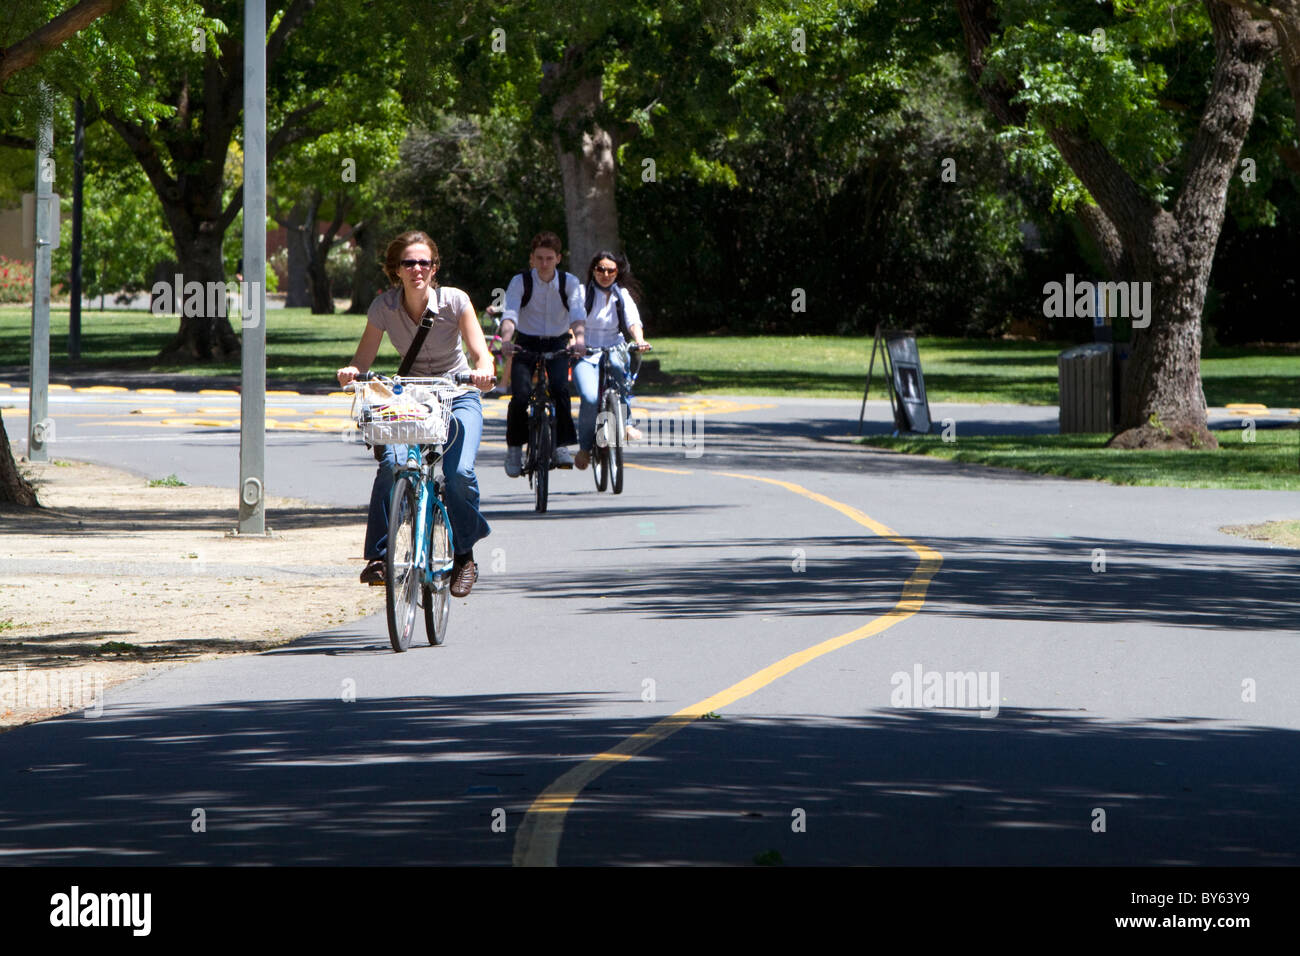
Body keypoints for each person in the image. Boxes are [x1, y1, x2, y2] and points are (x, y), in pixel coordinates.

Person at [337, 230, 495, 597]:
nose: (417, 269)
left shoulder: (455, 301)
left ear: (435, 267)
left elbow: (480, 353)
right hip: (408, 398)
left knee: (458, 473)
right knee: (392, 464)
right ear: (396, 270)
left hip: (457, 394)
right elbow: (362, 361)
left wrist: (483, 371)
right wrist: (350, 373)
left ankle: (464, 555)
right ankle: (378, 557)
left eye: (424, 262)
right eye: (409, 262)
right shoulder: (383, 308)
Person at [497, 231, 586, 475]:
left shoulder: (570, 282)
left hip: (558, 342)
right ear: (532, 259)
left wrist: (579, 339)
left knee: (559, 389)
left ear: (558, 258)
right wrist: (506, 340)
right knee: (521, 396)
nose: (544, 263)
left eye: (549, 258)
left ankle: (561, 446)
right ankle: (515, 448)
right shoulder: (520, 282)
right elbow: (510, 314)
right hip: (526, 342)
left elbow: (578, 315)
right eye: (539, 258)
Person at [572, 250, 650, 470]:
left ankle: (625, 424)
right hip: (585, 351)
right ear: (593, 271)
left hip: (613, 346)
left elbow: (633, 321)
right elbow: (574, 319)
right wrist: (574, 341)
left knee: (619, 372)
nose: (605, 274)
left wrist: (640, 340)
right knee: (588, 398)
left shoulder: (621, 295)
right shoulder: (581, 293)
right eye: (601, 269)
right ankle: (585, 448)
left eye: (611, 270)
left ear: (617, 272)